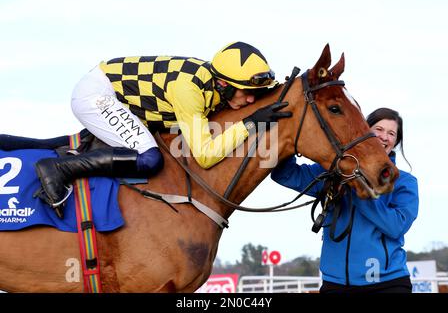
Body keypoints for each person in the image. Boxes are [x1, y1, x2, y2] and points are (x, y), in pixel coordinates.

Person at [35, 41, 291, 218]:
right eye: (247, 93)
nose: (249, 101)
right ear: (223, 84)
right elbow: (205, 155)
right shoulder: (189, 91)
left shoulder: (214, 84)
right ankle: (58, 169)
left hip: (121, 97)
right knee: (150, 157)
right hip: (97, 95)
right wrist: (250, 123)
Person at [271, 108, 419, 293]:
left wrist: (357, 187)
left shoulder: (405, 182)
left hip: (387, 284)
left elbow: (395, 226)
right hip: (335, 284)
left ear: (396, 142)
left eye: (391, 133)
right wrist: (279, 130)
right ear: (363, 130)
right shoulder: (334, 171)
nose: (384, 137)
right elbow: (282, 174)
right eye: (378, 129)